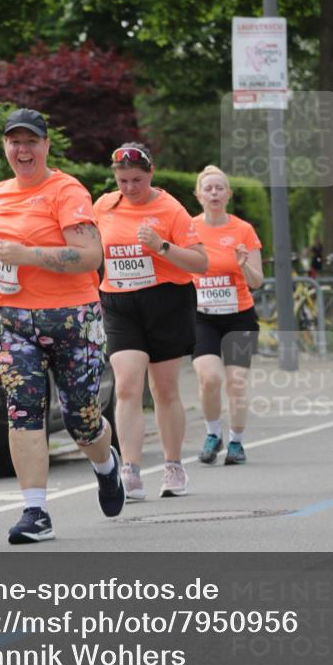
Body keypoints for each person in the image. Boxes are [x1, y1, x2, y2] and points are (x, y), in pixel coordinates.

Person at [0, 108, 124, 545]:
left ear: (46, 146)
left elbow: (91, 256)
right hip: (13, 321)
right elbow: (1, 248)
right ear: (5, 147)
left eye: (31, 141)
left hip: (73, 320)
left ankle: (106, 464)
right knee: (23, 412)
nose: (22, 149)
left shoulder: (66, 190)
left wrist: (28, 255)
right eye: (14, 141)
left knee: (82, 421)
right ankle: (35, 512)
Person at [93, 143, 208, 500]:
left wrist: (161, 247)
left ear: (151, 173)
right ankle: (131, 470)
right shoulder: (104, 206)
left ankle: (174, 465)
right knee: (126, 385)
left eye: (137, 180)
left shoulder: (170, 209)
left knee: (164, 388)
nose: (129, 188)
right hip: (119, 302)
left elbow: (200, 263)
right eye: (123, 180)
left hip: (167, 301)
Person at [191, 165, 263, 466]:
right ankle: (212, 433)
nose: (214, 193)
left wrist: (243, 264)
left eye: (220, 188)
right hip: (202, 316)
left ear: (228, 194)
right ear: (199, 195)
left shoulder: (243, 230)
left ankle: (236, 441)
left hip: (239, 316)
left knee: (236, 382)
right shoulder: (189, 228)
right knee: (209, 378)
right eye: (208, 188)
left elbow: (257, 281)